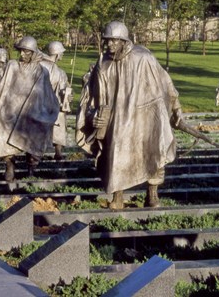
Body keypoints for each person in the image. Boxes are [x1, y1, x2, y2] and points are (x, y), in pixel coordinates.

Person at [76, 21, 182, 209]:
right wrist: (93, 116)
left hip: (145, 116)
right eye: (107, 41)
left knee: (154, 149)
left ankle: (152, 194)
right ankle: (118, 197)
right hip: (117, 120)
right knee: (116, 151)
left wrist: (176, 108)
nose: (109, 45)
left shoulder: (143, 58)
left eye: (113, 41)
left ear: (124, 41)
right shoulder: (103, 64)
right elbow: (91, 98)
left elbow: (165, 81)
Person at [0, 36, 59, 181]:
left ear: (33, 53)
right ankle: (9, 163)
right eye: (21, 51)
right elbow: (2, 86)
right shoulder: (12, 65)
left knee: (36, 127)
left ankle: (31, 167)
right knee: (1, 121)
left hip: (32, 110)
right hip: (11, 109)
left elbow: (45, 95)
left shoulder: (42, 71)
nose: (22, 54)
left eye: (26, 52)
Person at [42, 41, 72, 160]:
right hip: (51, 104)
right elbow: (62, 91)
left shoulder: (38, 66)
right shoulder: (60, 73)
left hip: (41, 104)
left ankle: (56, 150)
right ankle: (58, 150)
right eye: (61, 53)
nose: (62, 55)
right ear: (57, 54)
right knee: (60, 118)